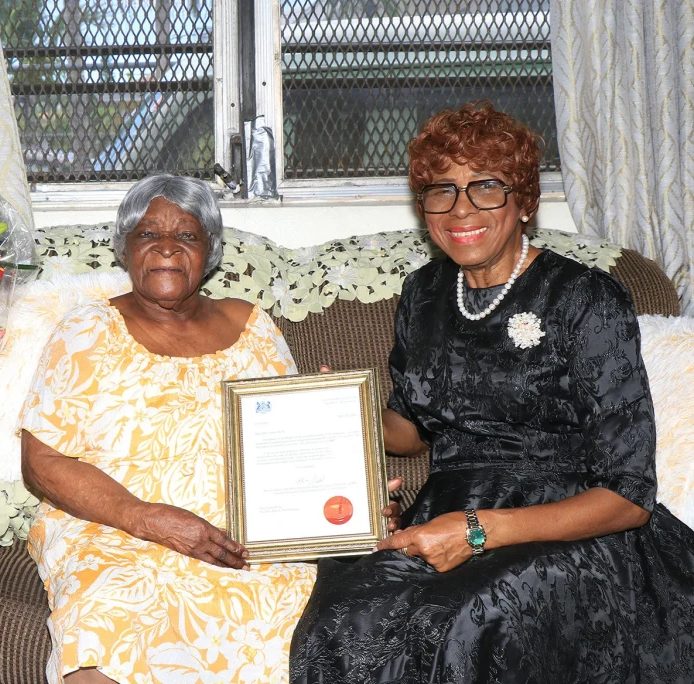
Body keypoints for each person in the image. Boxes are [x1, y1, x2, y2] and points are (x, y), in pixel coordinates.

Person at [290, 102, 694, 683]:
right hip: (442, 512)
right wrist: (341, 406)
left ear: (524, 200)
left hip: (565, 527)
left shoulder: (585, 298)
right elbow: (408, 432)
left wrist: (479, 530)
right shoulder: (424, 293)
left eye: (485, 187)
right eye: (441, 190)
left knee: (467, 622)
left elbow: (629, 497)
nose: (461, 209)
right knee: (341, 620)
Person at [19, 175, 402, 684]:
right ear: (126, 249)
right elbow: (41, 463)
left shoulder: (252, 324)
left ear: (211, 252)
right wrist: (146, 518)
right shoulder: (84, 331)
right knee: (108, 624)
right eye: (148, 234)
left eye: (188, 235)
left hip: (248, 535)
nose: (167, 248)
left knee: (304, 618)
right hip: (115, 530)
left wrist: (354, 501)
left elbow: (293, 444)